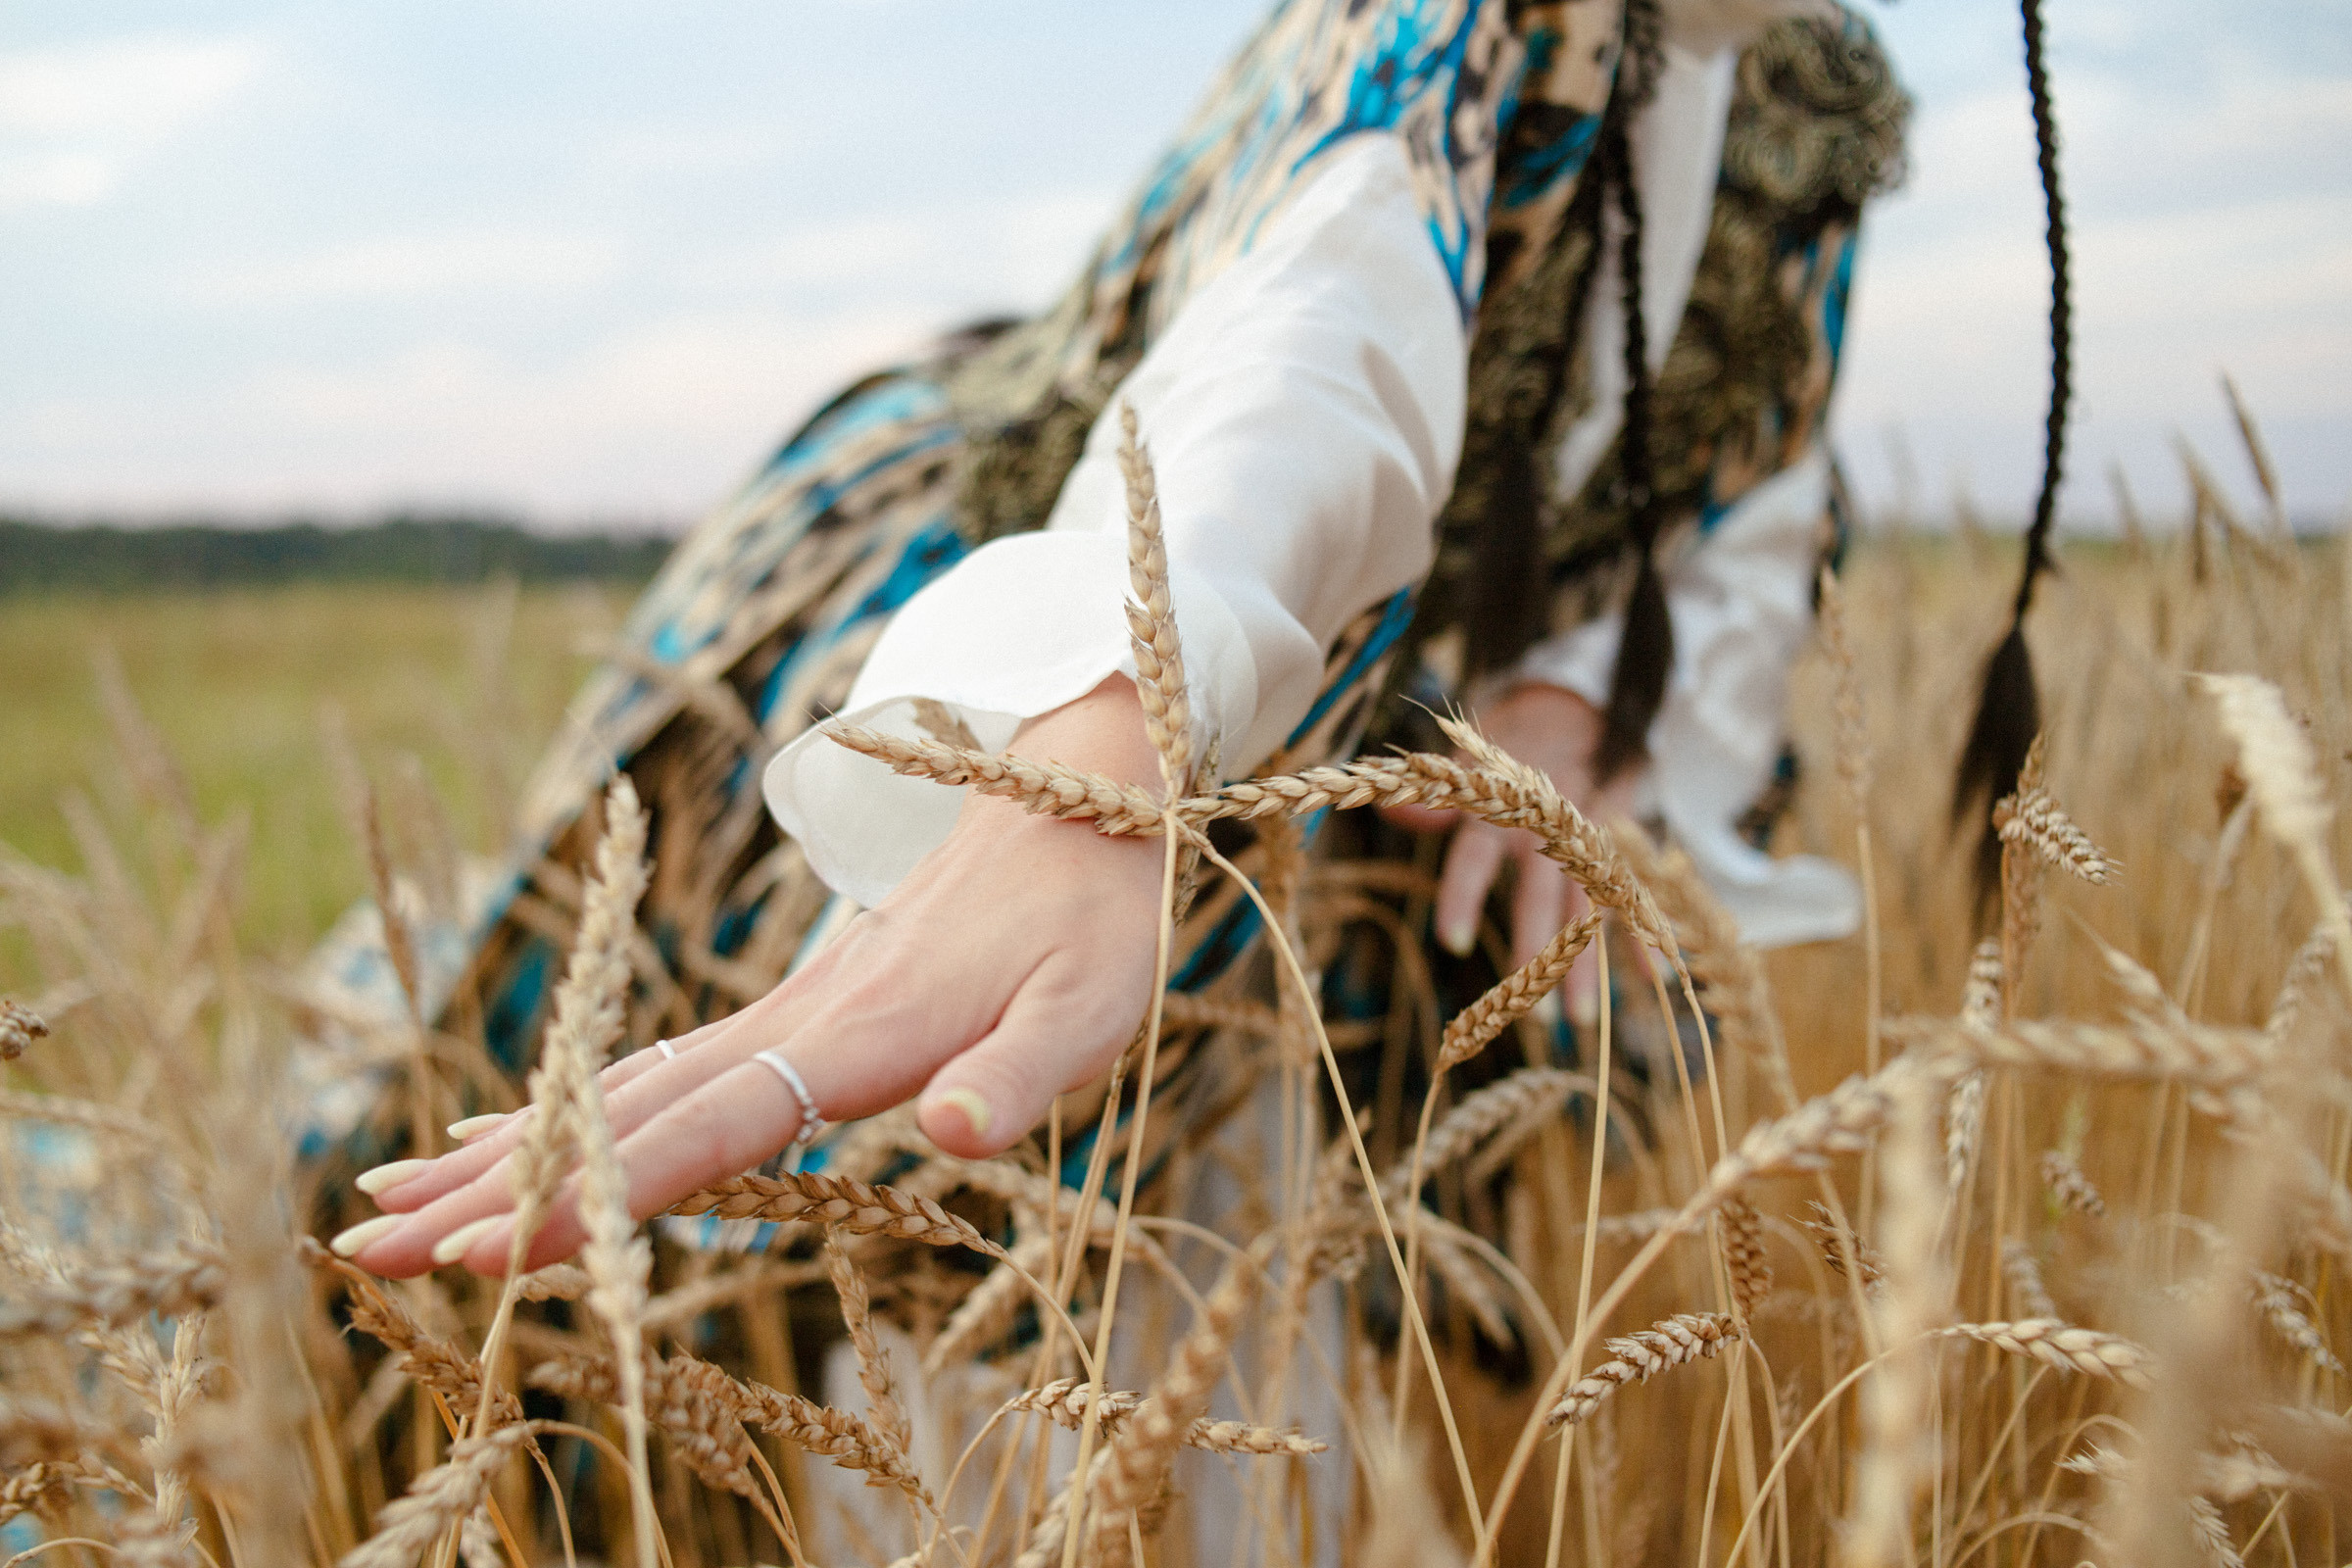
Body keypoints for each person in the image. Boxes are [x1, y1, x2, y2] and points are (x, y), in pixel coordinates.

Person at [321, 0, 1907, 1298]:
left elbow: (1756, 485)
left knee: (1263, 1248)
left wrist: (1573, 697)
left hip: (1346, 726)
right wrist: (1102, 737)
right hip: (1044, 615)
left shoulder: (1804, 100)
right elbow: (1310, 336)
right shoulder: (1447, 32)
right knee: (909, 1231)